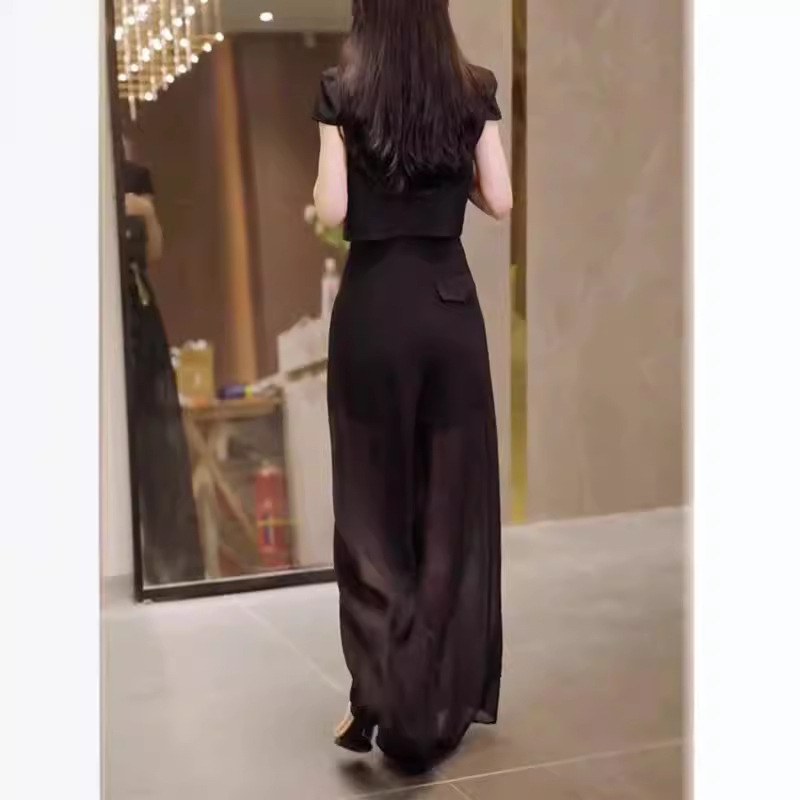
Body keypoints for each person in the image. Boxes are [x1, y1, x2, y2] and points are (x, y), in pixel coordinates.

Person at [312, 0, 513, 770]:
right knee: (447, 502)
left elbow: (333, 209)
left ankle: (380, 692)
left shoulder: (342, 90)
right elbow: (500, 199)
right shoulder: (472, 88)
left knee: (373, 504)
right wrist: (448, 181)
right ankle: (431, 699)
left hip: (373, 312)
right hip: (449, 310)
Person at [121, 134, 205, 586]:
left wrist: (145, 212)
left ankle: (171, 569)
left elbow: (153, 251)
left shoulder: (136, 177)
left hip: (138, 309)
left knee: (159, 439)